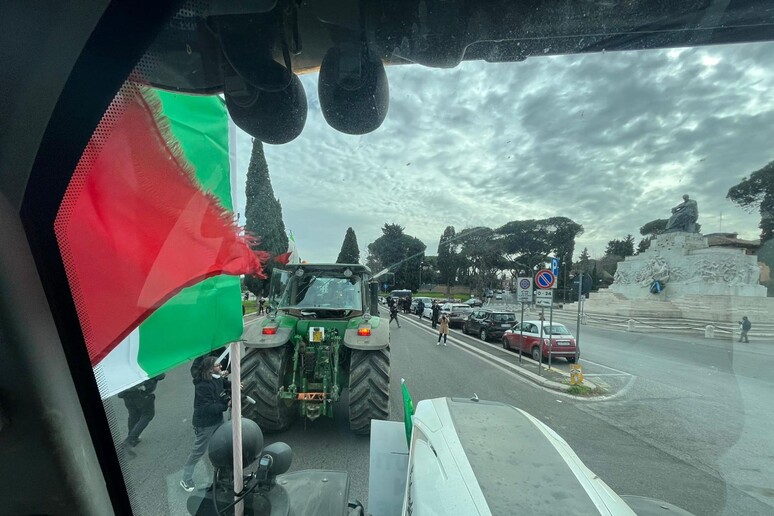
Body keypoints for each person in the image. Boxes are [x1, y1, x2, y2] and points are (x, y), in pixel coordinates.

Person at [180, 356, 231, 492]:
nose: (220, 367)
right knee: (198, 451)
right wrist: (226, 404)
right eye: (217, 366)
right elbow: (206, 408)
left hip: (217, 420)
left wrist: (235, 384)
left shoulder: (216, 378)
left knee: (222, 445)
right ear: (209, 369)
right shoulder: (202, 385)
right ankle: (185, 478)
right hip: (205, 424)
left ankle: (223, 474)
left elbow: (224, 384)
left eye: (220, 365)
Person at [117, 373, 166, 456]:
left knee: (133, 415)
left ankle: (133, 439)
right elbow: (161, 375)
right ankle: (129, 441)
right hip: (141, 393)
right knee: (147, 415)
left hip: (127, 395)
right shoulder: (148, 362)